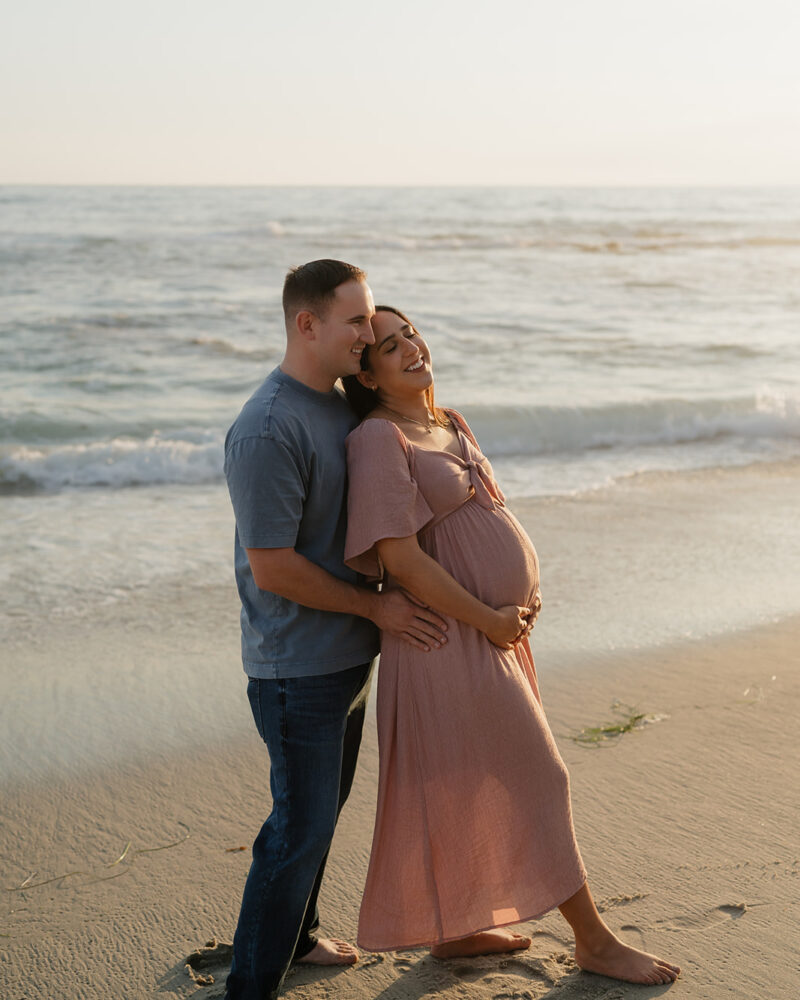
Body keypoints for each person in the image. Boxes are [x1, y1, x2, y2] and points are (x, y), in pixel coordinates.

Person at [341, 305, 681, 986]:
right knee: (537, 775)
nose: (411, 347)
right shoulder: (379, 440)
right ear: (369, 374)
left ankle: (460, 928)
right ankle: (593, 940)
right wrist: (489, 620)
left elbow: (488, 518)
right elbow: (401, 560)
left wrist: (521, 595)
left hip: (494, 631)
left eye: (410, 332)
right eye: (389, 345)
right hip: (448, 636)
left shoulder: (448, 422)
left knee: (466, 775)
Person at [222, 264, 448, 1000]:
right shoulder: (267, 427)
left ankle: (302, 934)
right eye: (354, 322)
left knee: (321, 816)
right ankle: (252, 982)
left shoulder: (340, 409)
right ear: (307, 325)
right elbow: (274, 568)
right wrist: (377, 608)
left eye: (371, 320)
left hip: (347, 656)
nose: (367, 334)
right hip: (296, 669)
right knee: (298, 828)